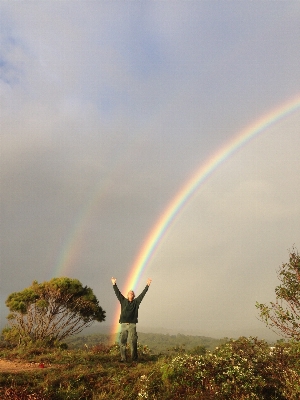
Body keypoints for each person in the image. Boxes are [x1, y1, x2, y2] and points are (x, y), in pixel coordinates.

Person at [111, 276, 152, 362]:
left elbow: (142, 295)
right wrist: (114, 284)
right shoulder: (123, 301)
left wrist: (147, 285)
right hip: (123, 324)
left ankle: (134, 359)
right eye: (129, 293)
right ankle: (123, 358)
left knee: (133, 342)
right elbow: (117, 293)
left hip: (132, 325)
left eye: (132, 293)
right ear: (127, 295)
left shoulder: (136, 302)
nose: (131, 294)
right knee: (122, 342)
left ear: (133, 296)